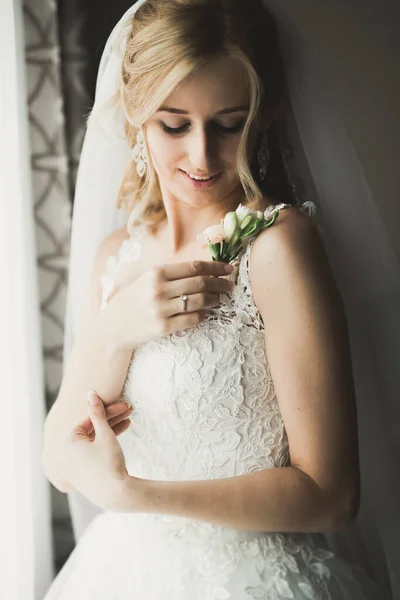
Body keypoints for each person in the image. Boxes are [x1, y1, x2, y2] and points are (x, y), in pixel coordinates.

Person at [42, 0, 392, 598]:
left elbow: (332, 495)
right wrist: (114, 329)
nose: (201, 156)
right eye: (173, 124)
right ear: (135, 117)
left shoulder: (277, 247)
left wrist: (137, 496)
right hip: (117, 574)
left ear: (262, 117)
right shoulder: (113, 258)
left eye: (228, 123)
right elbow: (59, 463)